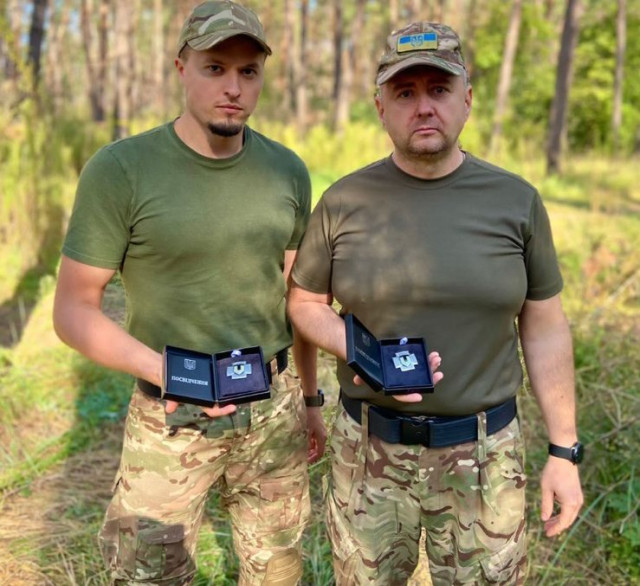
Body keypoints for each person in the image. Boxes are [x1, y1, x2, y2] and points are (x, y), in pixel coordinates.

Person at [288, 21, 584, 586]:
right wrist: (361, 351)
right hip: (368, 452)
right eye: (405, 92)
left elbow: (545, 326)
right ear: (381, 108)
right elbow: (304, 301)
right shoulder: (344, 201)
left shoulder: (515, 201)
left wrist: (564, 451)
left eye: (439, 89)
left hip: (486, 458)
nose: (424, 107)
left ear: (466, 100)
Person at [53, 2, 326, 584]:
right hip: (170, 415)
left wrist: (309, 400)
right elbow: (74, 309)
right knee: (148, 573)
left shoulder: (287, 171)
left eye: (248, 71)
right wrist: (163, 370)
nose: (233, 88)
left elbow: (297, 300)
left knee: (277, 572)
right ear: (182, 68)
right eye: (215, 68)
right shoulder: (122, 170)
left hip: (271, 410)